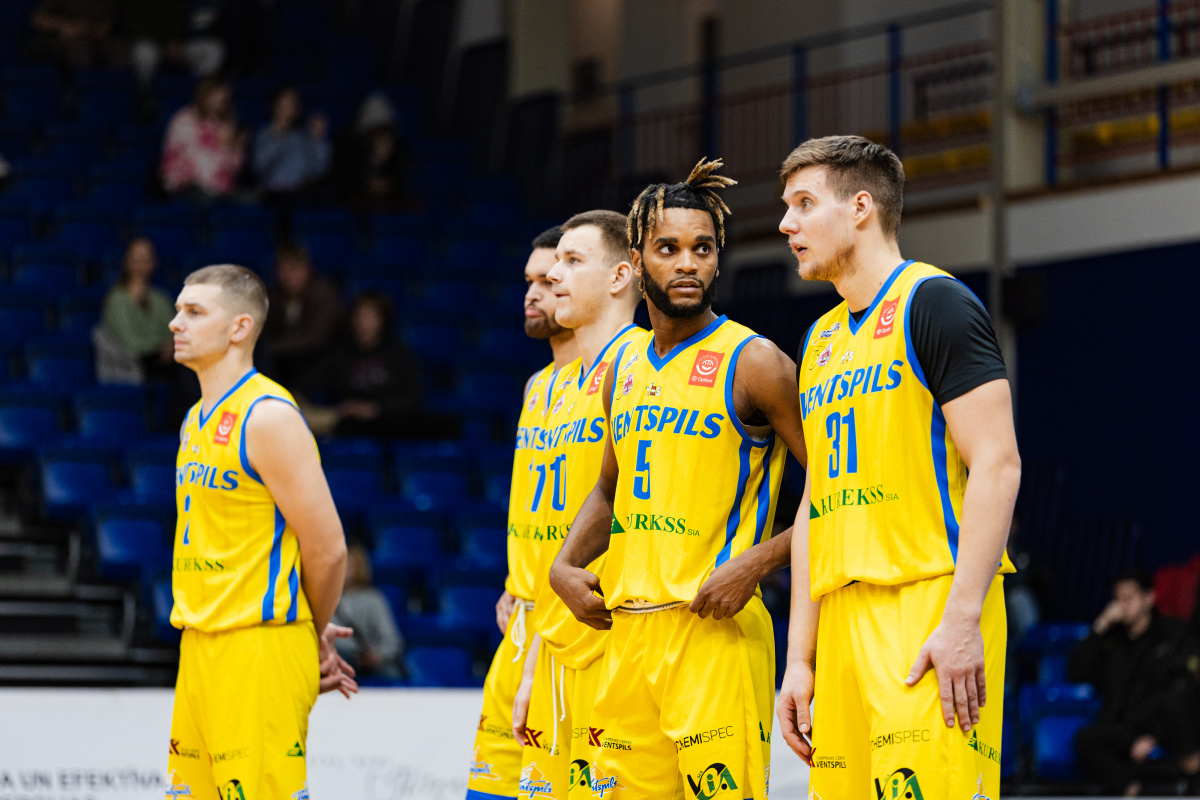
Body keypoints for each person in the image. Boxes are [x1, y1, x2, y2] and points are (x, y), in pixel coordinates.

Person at [549, 159, 808, 799]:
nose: (688, 263)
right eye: (668, 248)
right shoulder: (621, 368)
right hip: (629, 635)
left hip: (713, 634)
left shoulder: (756, 362)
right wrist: (563, 565)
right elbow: (609, 489)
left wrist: (756, 564)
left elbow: (833, 491)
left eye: (703, 248)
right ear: (637, 262)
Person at [773, 135, 1021, 800]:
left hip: (928, 607)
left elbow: (998, 464)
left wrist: (962, 619)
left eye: (803, 204)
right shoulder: (819, 339)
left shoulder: (935, 302)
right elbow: (814, 503)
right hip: (841, 617)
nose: (786, 224)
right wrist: (799, 658)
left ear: (861, 207)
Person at [165, 264, 357, 798]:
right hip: (199, 643)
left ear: (240, 327)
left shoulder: (268, 416)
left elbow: (328, 549)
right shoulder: (194, 419)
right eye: (178, 310)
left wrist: (310, 627)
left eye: (194, 311)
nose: (176, 323)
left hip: (258, 646)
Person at [509, 210, 644, 798]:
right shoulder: (556, 382)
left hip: (614, 628)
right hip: (549, 621)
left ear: (619, 276)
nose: (550, 279)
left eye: (568, 263)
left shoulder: (640, 365)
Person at [466, 225, 579, 800]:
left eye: (549, 280)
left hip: (575, 627)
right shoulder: (537, 385)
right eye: (530, 280)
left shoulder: (626, 374)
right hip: (522, 620)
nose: (534, 293)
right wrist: (516, 583)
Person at [1070, 568, 1200, 796]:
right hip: (1125, 728)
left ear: (1149, 598)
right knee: (1086, 737)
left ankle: (1189, 775)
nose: (1122, 606)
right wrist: (1100, 626)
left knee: (1182, 695)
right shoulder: (1111, 639)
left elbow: (1184, 688)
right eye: (1118, 599)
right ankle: (1135, 790)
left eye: (1128, 598)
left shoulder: (1173, 634)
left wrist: (1154, 734)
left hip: (1164, 726)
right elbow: (1077, 672)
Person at [301, 290, 422, 439]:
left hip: (390, 425)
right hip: (348, 426)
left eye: (370, 316)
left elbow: (413, 397)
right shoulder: (339, 353)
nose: (363, 322)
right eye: (359, 315)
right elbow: (306, 384)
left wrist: (375, 409)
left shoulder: (398, 354)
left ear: (383, 319)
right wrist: (338, 410)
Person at [260, 241, 342, 389]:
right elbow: (265, 329)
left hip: (319, 358)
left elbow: (315, 339)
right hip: (286, 359)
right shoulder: (274, 294)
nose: (288, 275)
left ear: (307, 269)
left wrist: (272, 347)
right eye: (283, 269)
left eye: (294, 268)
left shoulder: (322, 293)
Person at [100, 237, 175, 383]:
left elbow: (173, 331)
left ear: (154, 262)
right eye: (137, 258)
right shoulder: (117, 300)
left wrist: (170, 344)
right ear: (127, 261)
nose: (141, 263)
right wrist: (161, 345)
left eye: (146, 258)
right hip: (129, 363)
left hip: (164, 360)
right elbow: (130, 343)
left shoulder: (161, 299)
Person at [160, 77, 246, 199]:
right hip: (188, 186)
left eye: (224, 97)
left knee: (249, 200)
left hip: (221, 190)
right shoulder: (184, 119)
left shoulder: (226, 124)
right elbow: (173, 158)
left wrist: (237, 147)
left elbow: (233, 167)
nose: (221, 98)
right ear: (205, 94)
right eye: (217, 94)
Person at [332, 544, 404, 680]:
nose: (342, 571)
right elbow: (326, 638)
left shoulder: (374, 599)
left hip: (374, 665)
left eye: (348, 566)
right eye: (338, 565)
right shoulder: (325, 600)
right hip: (339, 663)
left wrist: (377, 655)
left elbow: (391, 639)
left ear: (359, 568)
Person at [253, 87, 331, 206]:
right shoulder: (264, 134)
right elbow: (259, 167)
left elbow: (318, 171)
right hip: (271, 194)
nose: (287, 111)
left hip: (299, 195)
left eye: (291, 105)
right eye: (283, 106)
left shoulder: (304, 137)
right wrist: (278, 137)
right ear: (274, 107)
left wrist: (317, 140)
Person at [334, 93, 408, 211]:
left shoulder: (399, 151)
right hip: (357, 206)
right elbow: (343, 183)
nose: (380, 136)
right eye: (374, 130)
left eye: (384, 129)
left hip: (389, 206)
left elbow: (402, 182)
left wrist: (387, 178)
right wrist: (370, 171)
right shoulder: (349, 148)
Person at [27, 0, 118, 70]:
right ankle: (76, 87)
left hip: (94, 39)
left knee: (118, 52)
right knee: (80, 52)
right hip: (62, 38)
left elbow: (107, 24)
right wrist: (64, 26)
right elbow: (37, 19)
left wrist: (89, 30)